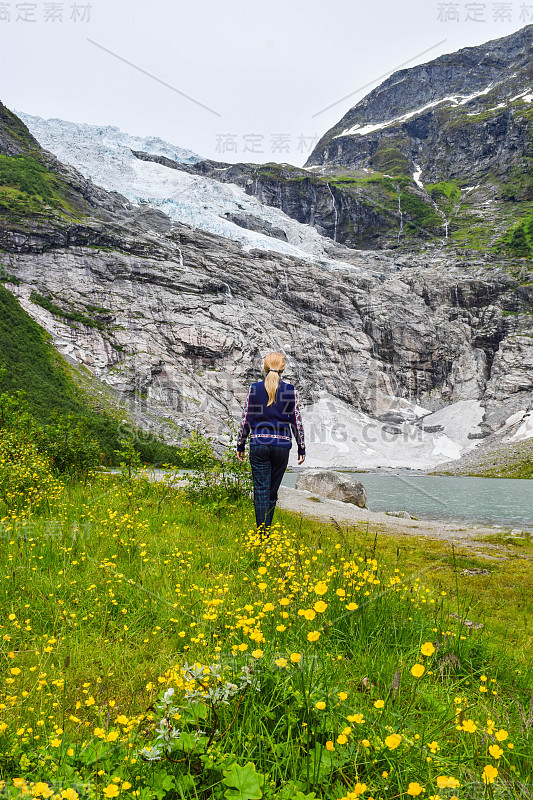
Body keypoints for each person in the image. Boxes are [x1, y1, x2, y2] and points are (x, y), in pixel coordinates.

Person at [236, 352, 306, 536]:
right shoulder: (291, 390)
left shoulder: (254, 389)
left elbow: (246, 418)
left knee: (261, 491)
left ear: (265, 367)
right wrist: (301, 447)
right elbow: (296, 421)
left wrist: (240, 445)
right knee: (272, 493)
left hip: (259, 443)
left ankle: (262, 534)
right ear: (283, 368)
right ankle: (266, 532)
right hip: (282, 446)